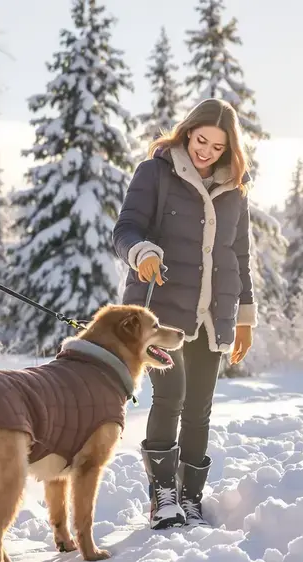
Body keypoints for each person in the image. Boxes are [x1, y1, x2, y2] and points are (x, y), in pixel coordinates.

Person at [112, 98, 257, 530]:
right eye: (201, 140)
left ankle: (190, 497)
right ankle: (163, 496)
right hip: (162, 312)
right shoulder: (155, 172)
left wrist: (245, 318)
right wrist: (141, 251)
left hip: (214, 313)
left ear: (229, 149)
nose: (206, 151)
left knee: (199, 408)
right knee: (169, 397)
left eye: (217, 146)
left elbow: (240, 255)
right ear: (187, 132)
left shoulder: (235, 190)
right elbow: (125, 230)